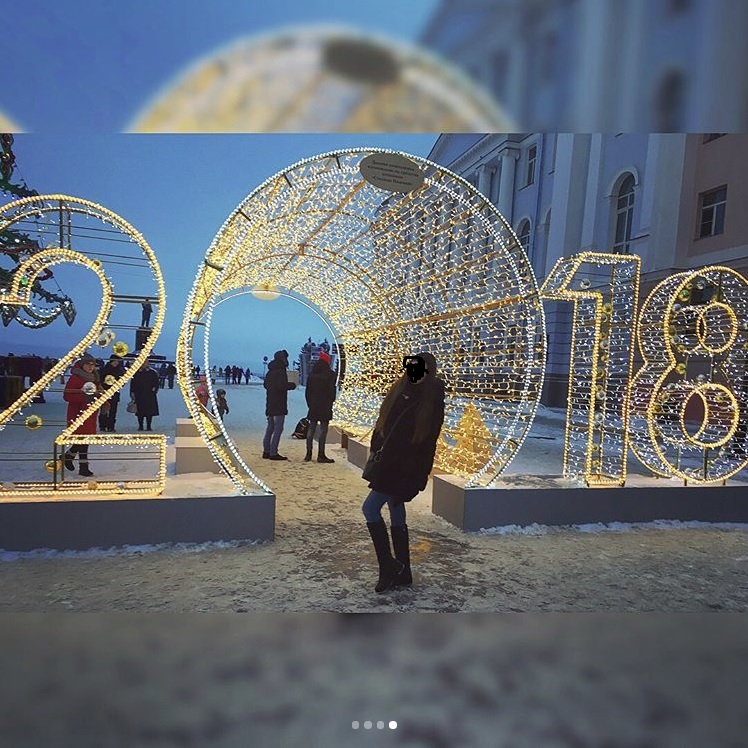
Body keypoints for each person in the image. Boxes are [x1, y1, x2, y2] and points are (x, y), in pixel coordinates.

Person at [362, 352, 445, 593]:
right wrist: (376, 447)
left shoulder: (431, 400)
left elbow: (428, 444)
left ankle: (388, 566)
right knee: (395, 509)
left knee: (370, 508)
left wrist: (418, 479)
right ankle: (403, 571)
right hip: (388, 464)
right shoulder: (399, 389)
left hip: (404, 468)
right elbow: (383, 423)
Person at [62, 353, 101, 477]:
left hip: (90, 414)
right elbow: (67, 395)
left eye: (92, 365)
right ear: (82, 365)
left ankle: (69, 457)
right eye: (88, 364)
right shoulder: (76, 378)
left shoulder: (95, 377)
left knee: (84, 440)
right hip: (78, 414)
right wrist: (84, 397)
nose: (90, 367)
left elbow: (99, 393)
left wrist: (105, 403)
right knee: (83, 440)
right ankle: (83, 467)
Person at [263, 349, 297, 460]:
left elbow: (266, 385)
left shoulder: (270, 371)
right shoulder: (281, 371)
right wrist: (291, 385)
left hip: (270, 402)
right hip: (279, 403)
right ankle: (273, 452)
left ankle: (266, 451)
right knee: (278, 428)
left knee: (270, 428)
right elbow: (281, 386)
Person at [304, 350, 337, 463]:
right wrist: (331, 400)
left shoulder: (312, 374)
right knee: (323, 431)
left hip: (313, 405)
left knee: (311, 429)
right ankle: (321, 455)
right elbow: (331, 391)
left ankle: (308, 454)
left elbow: (308, 392)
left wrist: (310, 404)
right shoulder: (330, 374)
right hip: (325, 406)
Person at [130, 359, 159, 431]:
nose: (144, 364)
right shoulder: (136, 373)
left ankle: (149, 426)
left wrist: (154, 391)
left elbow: (156, 383)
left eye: (145, 362)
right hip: (139, 394)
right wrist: (132, 393)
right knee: (140, 411)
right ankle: (141, 426)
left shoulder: (152, 373)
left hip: (149, 395)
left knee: (149, 411)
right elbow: (133, 384)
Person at [98, 354, 125, 433]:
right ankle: (103, 425)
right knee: (104, 410)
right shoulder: (104, 369)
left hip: (114, 392)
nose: (117, 363)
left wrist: (119, 384)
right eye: (115, 361)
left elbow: (122, 381)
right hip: (104, 392)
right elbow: (99, 380)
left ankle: (111, 426)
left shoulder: (120, 371)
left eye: (118, 361)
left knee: (113, 411)